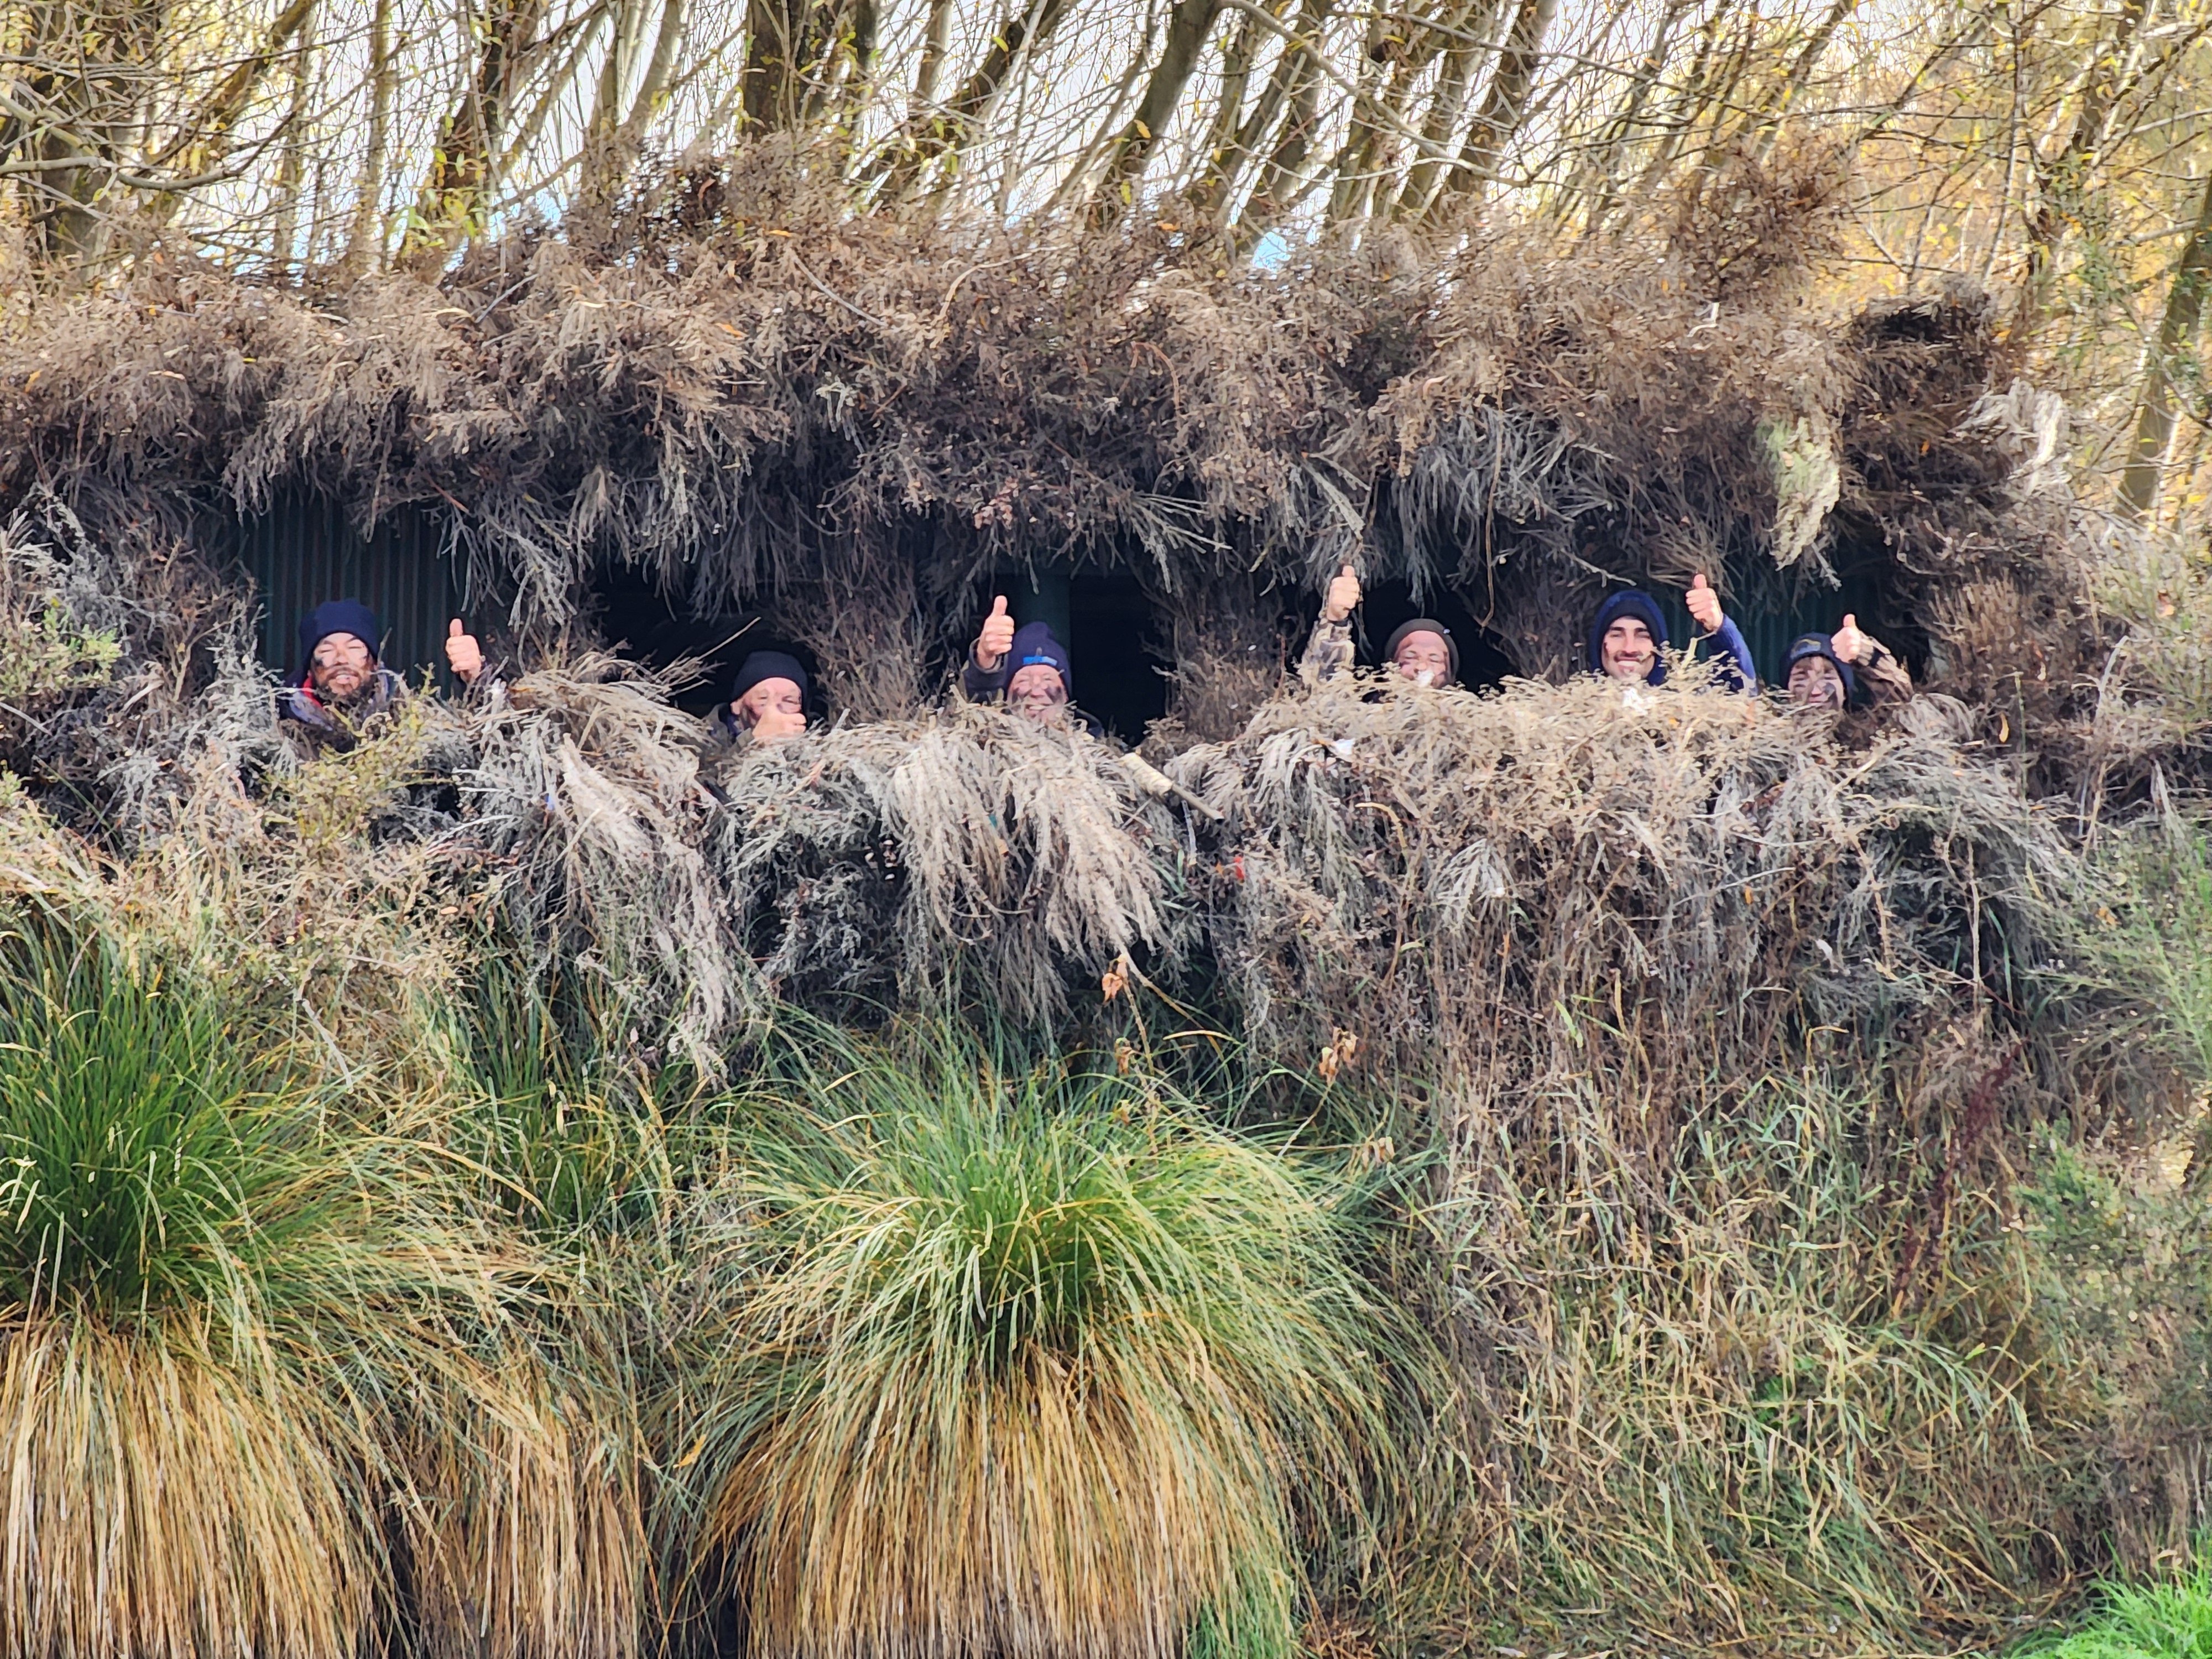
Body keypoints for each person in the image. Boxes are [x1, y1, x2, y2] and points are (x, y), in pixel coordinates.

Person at [278, 602, 489, 753]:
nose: (341, 659)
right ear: (309, 668)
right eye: (326, 650)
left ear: (375, 663)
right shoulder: (278, 727)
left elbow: (484, 747)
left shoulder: (411, 720)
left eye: (355, 648)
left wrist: (478, 679)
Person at [1587, 575, 1754, 693]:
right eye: (1617, 635)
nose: (1629, 648)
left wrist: (1720, 629)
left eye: (1642, 636)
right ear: (1599, 645)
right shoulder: (1574, 718)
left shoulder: (1680, 712)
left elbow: (1740, 697)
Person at [1298, 565, 1458, 687]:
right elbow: (1324, 695)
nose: (1422, 667)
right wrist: (1334, 621)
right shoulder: (1364, 722)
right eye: (1409, 657)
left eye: (1435, 659)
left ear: (1451, 676)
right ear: (1390, 670)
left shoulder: (1472, 726)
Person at [963, 596, 1084, 727]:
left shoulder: (1094, 744)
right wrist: (984, 657)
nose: (1036, 690)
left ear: (1066, 695)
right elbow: (980, 701)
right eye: (1024, 680)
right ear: (1007, 694)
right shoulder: (988, 739)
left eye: (1048, 679)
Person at [1782, 614, 1913, 712]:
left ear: (1845, 691)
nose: (1816, 691)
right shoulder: (1771, 740)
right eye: (1801, 678)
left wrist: (1869, 655)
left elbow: (1902, 705)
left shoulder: (1867, 738)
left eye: (1827, 676)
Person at [723, 650, 811, 744]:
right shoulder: (708, 738)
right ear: (737, 706)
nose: (776, 712)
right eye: (763, 700)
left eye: (790, 701)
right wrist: (755, 742)